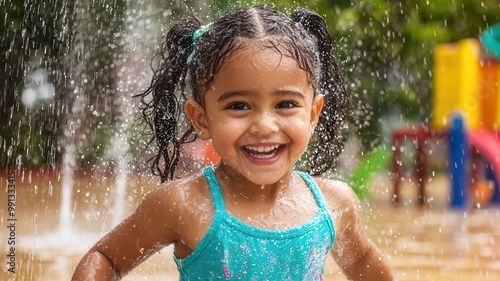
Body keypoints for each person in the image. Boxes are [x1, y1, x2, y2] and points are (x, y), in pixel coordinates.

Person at [72, 5, 393, 280]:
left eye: (285, 104)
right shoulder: (184, 205)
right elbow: (107, 258)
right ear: (201, 119)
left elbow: (362, 260)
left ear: (313, 114)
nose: (264, 126)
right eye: (238, 106)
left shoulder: (333, 204)